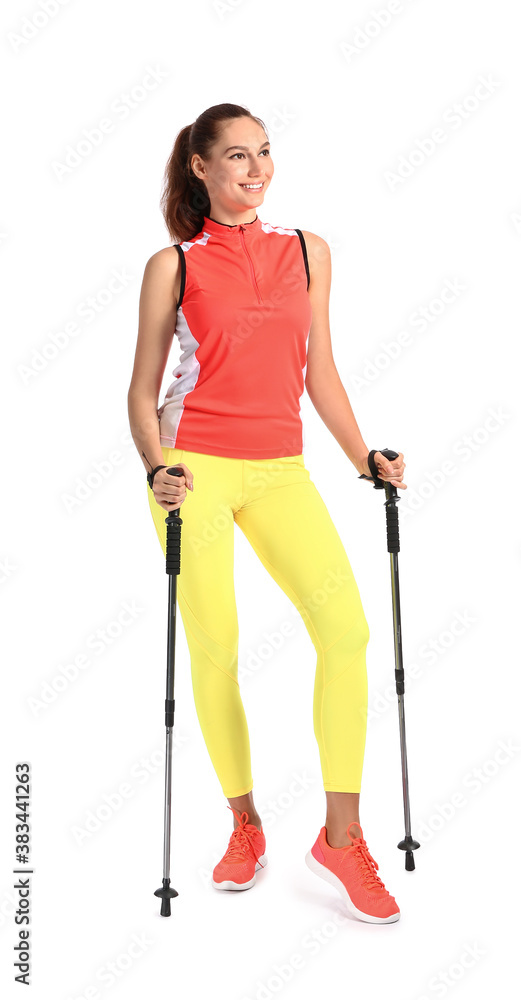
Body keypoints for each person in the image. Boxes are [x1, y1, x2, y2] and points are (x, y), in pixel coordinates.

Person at [127, 102, 407, 925]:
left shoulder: (307, 253)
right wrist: (156, 470)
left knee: (346, 632)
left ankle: (341, 836)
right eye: (237, 157)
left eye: (264, 154)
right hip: (196, 467)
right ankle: (244, 825)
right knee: (217, 646)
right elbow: (142, 393)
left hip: (280, 466)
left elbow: (321, 372)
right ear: (200, 169)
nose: (256, 169)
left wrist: (364, 459)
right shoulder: (172, 265)